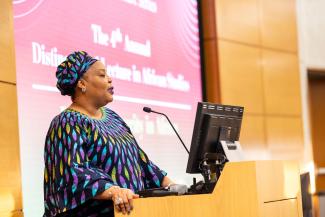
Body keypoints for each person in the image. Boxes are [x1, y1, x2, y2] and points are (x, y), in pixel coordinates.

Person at [43, 51, 174, 217]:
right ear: (82, 84)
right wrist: (114, 191)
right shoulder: (66, 122)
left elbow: (140, 161)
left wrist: (171, 185)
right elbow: (73, 173)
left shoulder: (112, 117)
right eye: (102, 75)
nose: (110, 79)